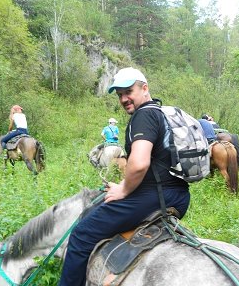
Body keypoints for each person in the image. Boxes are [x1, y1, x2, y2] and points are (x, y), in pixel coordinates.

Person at [59, 67, 190, 286]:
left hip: (154, 197)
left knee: (81, 235)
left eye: (128, 91)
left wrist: (124, 190)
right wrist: (123, 183)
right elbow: (157, 163)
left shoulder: (144, 116)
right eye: (120, 94)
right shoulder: (161, 113)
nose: (124, 98)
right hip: (179, 195)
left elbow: (139, 164)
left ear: (144, 88)